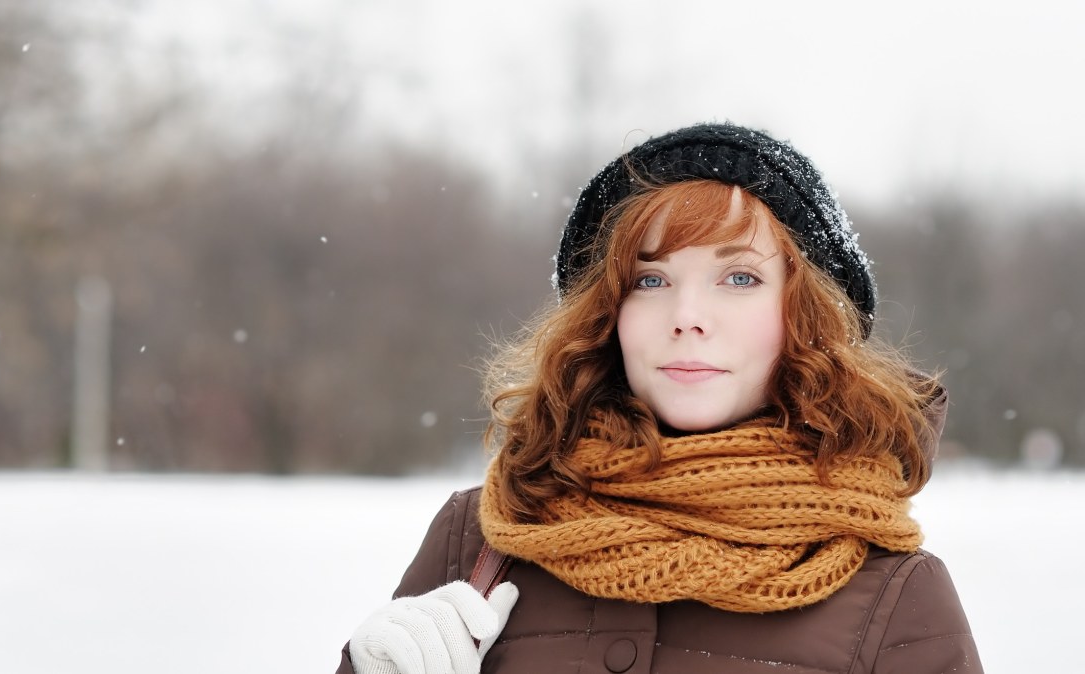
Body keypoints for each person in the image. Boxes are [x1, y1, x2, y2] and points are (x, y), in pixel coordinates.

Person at [336, 122, 983, 674]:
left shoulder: (896, 593)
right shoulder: (481, 539)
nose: (688, 315)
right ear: (607, 315)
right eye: (650, 278)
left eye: (739, 277)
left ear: (807, 317)